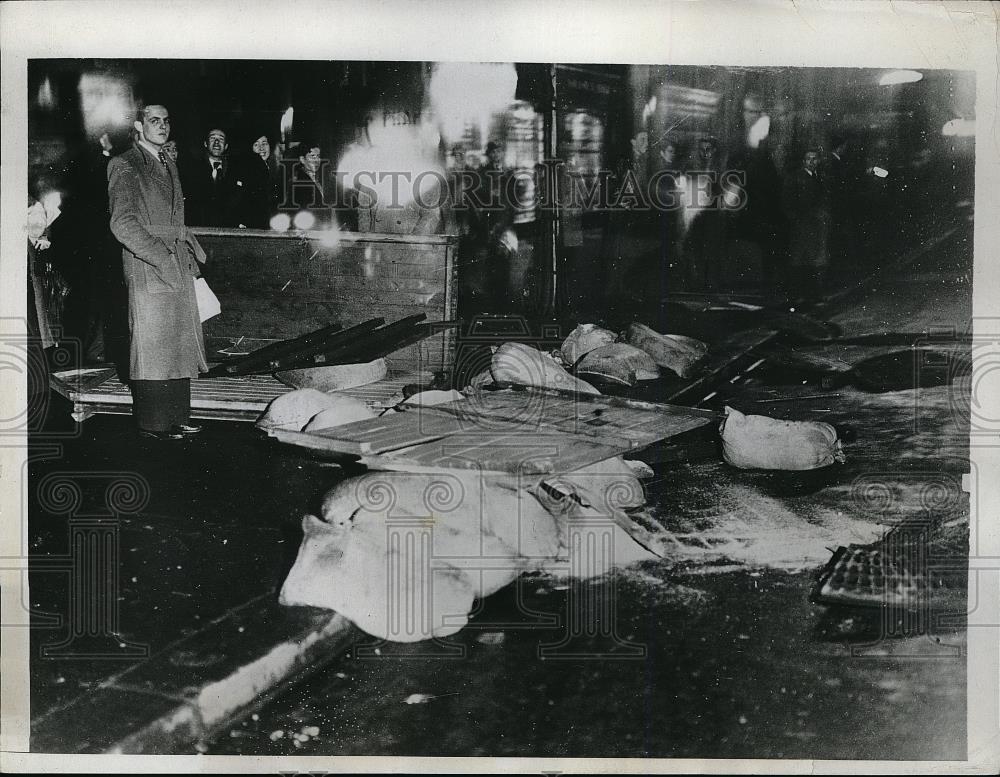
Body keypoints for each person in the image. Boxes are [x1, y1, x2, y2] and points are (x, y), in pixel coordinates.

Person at [107, 103, 208, 440]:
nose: (162, 126)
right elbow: (122, 224)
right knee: (152, 344)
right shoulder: (125, 164)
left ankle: (177, 416)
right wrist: (162, 256)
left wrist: (185, 257)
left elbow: (173, 217)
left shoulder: (166, 160)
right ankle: (153, 423)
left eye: (166, 120)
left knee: (176, 340)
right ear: (138, 125)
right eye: (154, 120)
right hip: (149, 264)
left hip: (175, 259)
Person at [782, 147, 831, 298]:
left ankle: (811, 294)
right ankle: (796, 294)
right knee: (798, 259)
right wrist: (796, 219)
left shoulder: (820, 177)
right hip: (801, 225)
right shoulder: (795, 177)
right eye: (808, 159)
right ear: (803, 161)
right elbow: (787, 202)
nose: (811, 162)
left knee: (813, 259)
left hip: (815, 225)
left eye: (814, 158)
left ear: (819, 161)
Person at [181, 127, 241, 226]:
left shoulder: (236, 172)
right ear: (205, 143)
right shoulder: (191, 171)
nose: (217, 142)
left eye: (221, 139)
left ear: (226, 146)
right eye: (212, 138)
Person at [238, 132, 279, 228]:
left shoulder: (273, 169)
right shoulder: (247, 171)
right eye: (256, 144)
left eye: (264, 143)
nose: (261, 148)